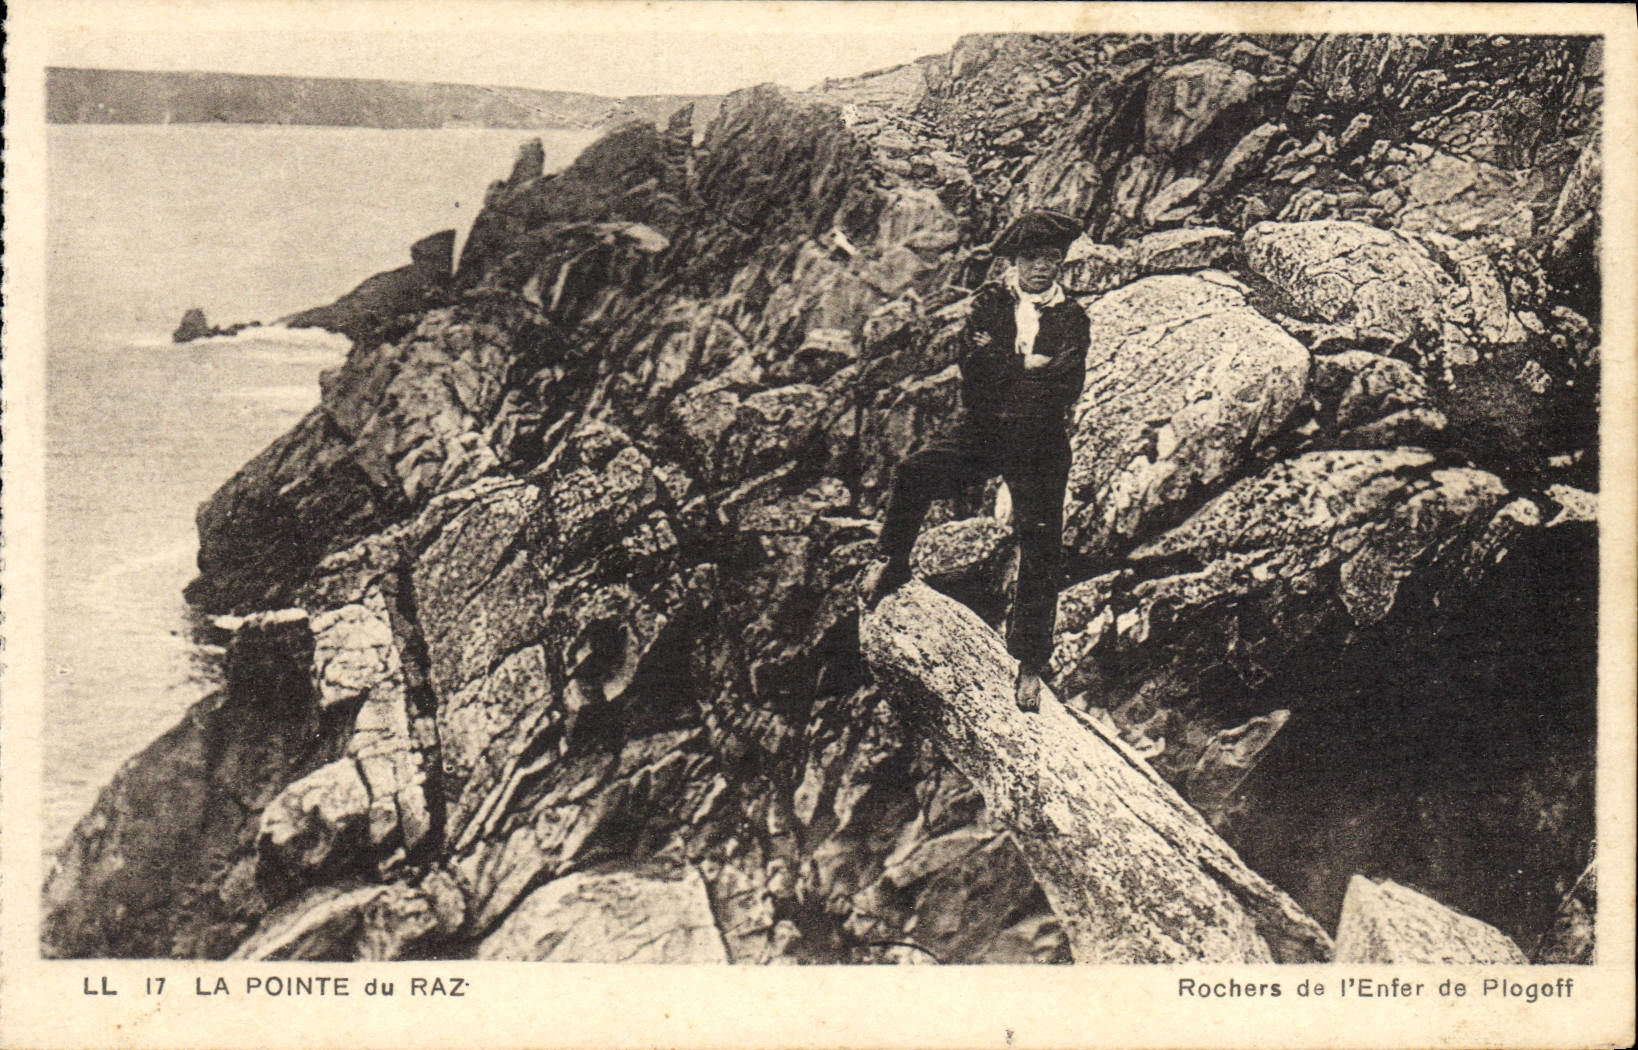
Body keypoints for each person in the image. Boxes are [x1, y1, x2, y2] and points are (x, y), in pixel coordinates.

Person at [863, 209, 1089, 712]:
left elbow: (1065, 386)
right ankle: (892, 561)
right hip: (985, 431)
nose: (1042, 269)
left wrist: (1009, 369)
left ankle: (1030, 664)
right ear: (1015, 261)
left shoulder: (1072, 317)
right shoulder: (989, 303)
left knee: (1041, 547)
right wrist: (1026, 366)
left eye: (1052, 259)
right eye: (1032, 258)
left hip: (1042, 445)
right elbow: (975, 369)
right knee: (916, 472)